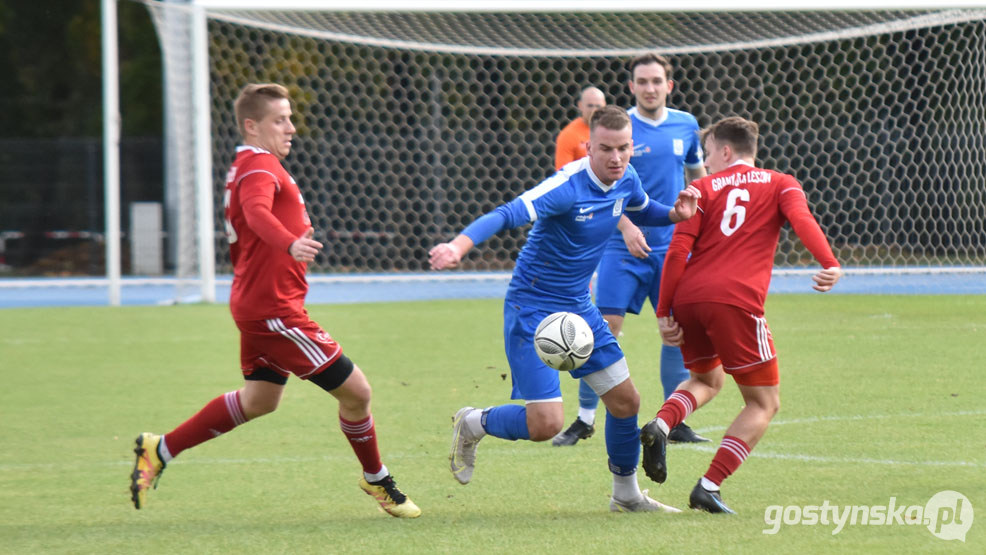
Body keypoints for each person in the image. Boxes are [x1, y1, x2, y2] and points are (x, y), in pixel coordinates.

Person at [129, 83, 420, 518]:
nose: (291, 128)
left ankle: (161, 449)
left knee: (260, 400)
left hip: (258, 304)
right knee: (358, 392)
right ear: (252, 125)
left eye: (290, 118)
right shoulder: (259, 167)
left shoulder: (250, 163)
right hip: (274, 312)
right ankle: (377, 479)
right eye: (280, 119)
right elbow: (257, 212)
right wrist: (289, 244)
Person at [429, 105, 701, 513]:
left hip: (578, 308)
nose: (616, 158)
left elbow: (641, 207)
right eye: (606, 149)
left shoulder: (626, 176)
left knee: (626, 402)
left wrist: (672, 215)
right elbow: (506, 214)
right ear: (588, 147)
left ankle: (626, 496)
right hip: (533, 307)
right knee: (546, 425)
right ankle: (473, 422)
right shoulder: (566, 186)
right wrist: (458, 246)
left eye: (624, 148)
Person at [639, 116, 842, 513]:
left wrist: (664, 311)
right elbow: (802, 220)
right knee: (763, 403)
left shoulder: (700, 188)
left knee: (705, 380)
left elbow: (678, 251)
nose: (706, 161)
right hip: (735, 301)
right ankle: (709, 486)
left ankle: (661, 425)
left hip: (690, 299)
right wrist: (828, 262)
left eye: (709, 152)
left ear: (726, 150)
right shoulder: (782, 183)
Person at [554, 53, 709, 447]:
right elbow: (603, 188)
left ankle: (672, 421)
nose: (650, 88)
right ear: (632, 87)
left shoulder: (686, 125)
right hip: (619, 248)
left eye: (657, 80)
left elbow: (697, 177)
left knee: (674, 331)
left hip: (671, 248)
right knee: (600, 330)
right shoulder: (617, 127)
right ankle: (585, 418)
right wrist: (624, 226)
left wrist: (703, 217)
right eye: (643, 81)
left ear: (669, 86)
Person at [554, 86, 607, 170]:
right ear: (580, 105)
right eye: (590, 106)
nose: (594, 110)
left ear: (604, 105)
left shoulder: (611, 130)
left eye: (598, 106)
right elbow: (563, 174)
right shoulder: (568, 135)